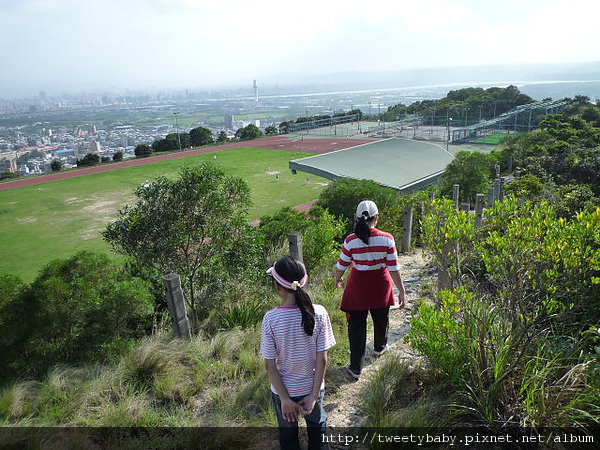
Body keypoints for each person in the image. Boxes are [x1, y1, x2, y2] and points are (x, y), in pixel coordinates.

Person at [261, 255, 336, 450]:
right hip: (313, 388)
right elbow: (323, 360)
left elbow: (270, 367)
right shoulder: (319, 313)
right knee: (318, 430)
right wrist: (312, 396)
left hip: (283, 392)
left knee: (287, 438)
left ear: (278, 288)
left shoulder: (271, 319)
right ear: (305, 281)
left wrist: (285, 399)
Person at [333, 200, 406, 380]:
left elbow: (341, 266)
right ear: (377, 218)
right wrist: (402, 291)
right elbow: (394, 268)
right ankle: (380, 347)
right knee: (381, 318)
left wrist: (337, 278)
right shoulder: (387, 239)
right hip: (380, 285)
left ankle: (356, 367)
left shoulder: (350, 240)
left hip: (358, 287)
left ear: (357, 218)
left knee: (356, 326)